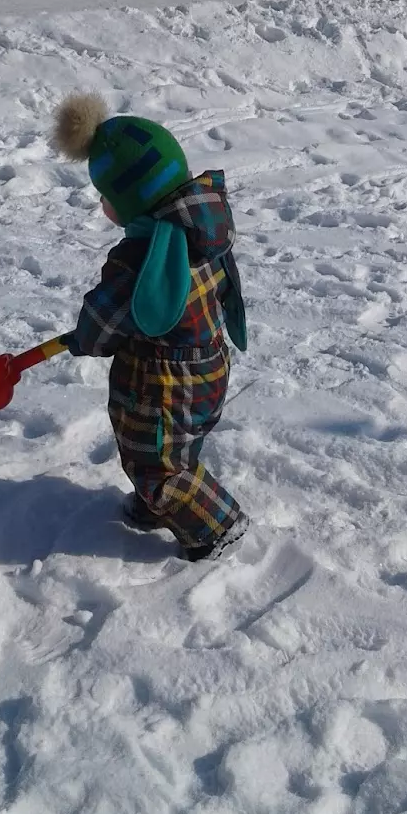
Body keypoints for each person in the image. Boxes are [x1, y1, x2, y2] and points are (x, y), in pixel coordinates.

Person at [51, 93, 248, 563]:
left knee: (157, 463)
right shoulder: (203, 226)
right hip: (208, 368)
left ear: (129, 202)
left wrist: (83, 338)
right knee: (174, 447)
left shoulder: (137, 261)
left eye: (107, 197)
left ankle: (216, 527)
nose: (103, 206)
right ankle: (155, 505)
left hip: (160, 383)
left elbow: (101, 328)